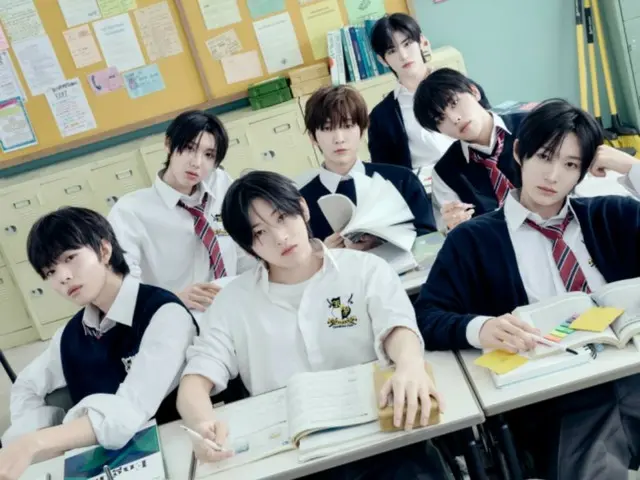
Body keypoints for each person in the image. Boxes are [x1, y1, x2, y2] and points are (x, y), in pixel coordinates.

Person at [415, 99, 640, 479]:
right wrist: (481, 328)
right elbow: (427, 315)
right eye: (544, 157)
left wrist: (627, 165)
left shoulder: (611, 214)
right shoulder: (473, 239)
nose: (553, 175)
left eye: (571, 165)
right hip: (561, 398)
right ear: (519, 152)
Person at [175, 170, 449, 478]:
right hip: (296, 460)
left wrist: (409, 365)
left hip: (384, 441)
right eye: (260, 233)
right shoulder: (232, 302)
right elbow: (195, 380)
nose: (280, 237)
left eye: (282, 217)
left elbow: (397, 327)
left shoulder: (365, 269)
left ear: (303, 208)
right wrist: (201, 425)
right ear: (247, 246)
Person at [0, 207, 197, 480]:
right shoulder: (69, 336)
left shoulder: (164, 314)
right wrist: (44, 434)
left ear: (104, 251)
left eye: (70, 258)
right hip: (104, 465)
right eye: (50, 271)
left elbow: (130, 410)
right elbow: (26, 387)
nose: (62, 277)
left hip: (182, 454)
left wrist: (39, 442)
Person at [108, 110, 254, 312]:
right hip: (181, 313)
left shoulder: (220, 183)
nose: (197, 163)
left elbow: (241, 246)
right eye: (189, 148)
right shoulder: (130, 212)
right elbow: (120, 284)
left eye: (209, 155)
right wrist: (170, 299)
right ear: (168, 144)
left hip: (236, 300)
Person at [299, 85, 436, 248]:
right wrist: (324, 254)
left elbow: (431, 241)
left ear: (362, 130)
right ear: (313, 138)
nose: (339, 138)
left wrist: (383, 244)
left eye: (347, 126)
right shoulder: (301, 204)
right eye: (328, 128)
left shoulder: (402, 180)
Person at [368, 13, 490, 172]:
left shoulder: (461, 86)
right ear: (382, 60)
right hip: (427, 184)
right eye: (392, 51)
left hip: (481, 173)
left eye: (407, 44)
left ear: (422, 41)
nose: (403, 55)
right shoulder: (381, 117)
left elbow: (492, 132)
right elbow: (386, 175)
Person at [413, 67, 528, 232]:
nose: (455, 119)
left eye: (454, 103)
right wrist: (453, 227)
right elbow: (451, 233)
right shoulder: (445, 173)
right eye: (440, 119)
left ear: (474, 92)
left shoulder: (531, 126)